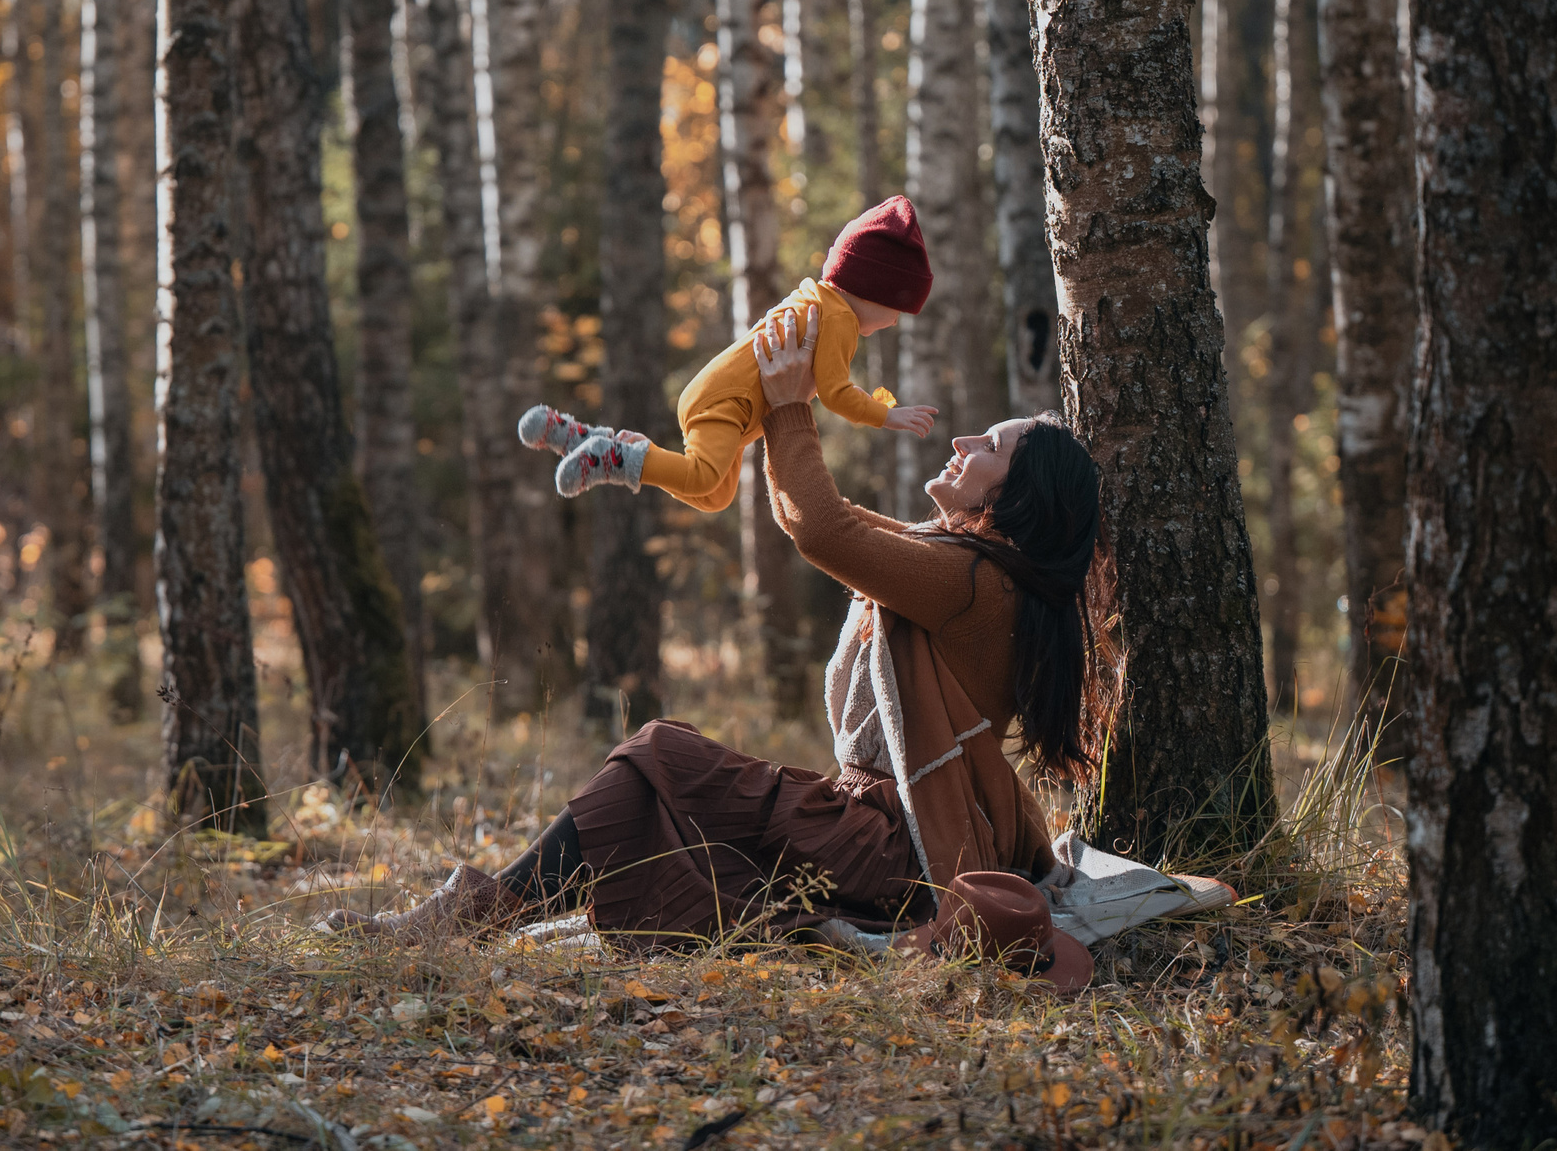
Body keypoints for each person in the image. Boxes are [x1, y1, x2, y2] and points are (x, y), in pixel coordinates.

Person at [327, 302, 1109, 958]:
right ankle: (477, 912)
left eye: (991, 446)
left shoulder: (973, 581)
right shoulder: (967, 570)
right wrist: (771, 408)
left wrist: (792, 401)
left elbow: (827, 532)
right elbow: (833, 524)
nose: (962, 441)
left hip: (892, 850)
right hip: (874, 832)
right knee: (654, 794)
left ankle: (474, 912)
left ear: (1017, 498)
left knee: (664, 751)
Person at [519, 195, 942, 504]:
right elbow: (835, 392)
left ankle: (595, 441)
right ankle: (612, 456)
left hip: (723, 402)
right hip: (728, 404)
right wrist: (885, 416)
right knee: (702, 479)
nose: (895, 320)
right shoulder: (838, 319)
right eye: (897, 308)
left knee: (714, 496)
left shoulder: (816, 299)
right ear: (873, 290)